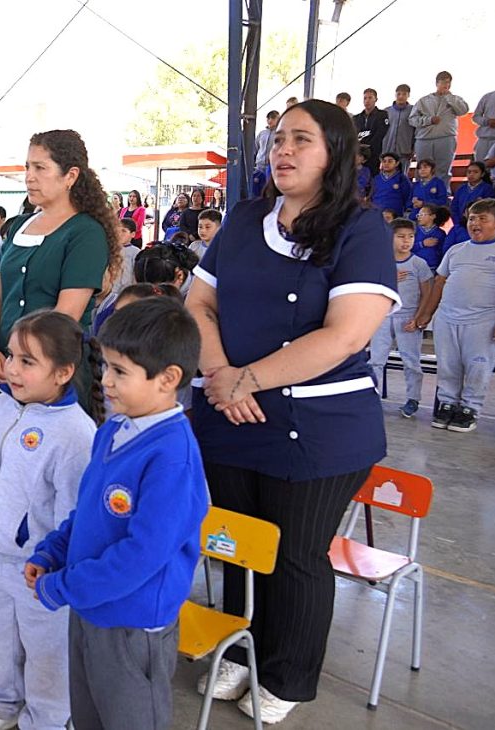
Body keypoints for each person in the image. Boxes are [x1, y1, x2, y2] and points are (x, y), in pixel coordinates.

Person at [185, 99, 399, 723]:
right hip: (229, 415)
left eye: (302, 140)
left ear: (335, 153)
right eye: (279, 138)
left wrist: (245, 379)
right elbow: (198, 305)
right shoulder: (244, 219)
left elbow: (345, 335)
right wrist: (222, 377)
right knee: (234, 543)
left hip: (318, 429)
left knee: (296, 555)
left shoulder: (360, 230)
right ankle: (240, 647)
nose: (284, 150)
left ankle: (287, 673)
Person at [26, 298, 208, 730]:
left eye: (120, 371)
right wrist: (53, 551)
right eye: (105, 366)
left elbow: (141, 556)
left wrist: (64, 585)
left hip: (132, 624)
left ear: (168, 379)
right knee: (87, 715)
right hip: (89, 607)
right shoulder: (113, 429)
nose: (105, 380)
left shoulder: (172, 458)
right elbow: (87, 512)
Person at [0, 310, 98, 730]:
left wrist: (56, 566)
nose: (11, 368)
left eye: (27, 361)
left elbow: (74, 514)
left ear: (63, 372)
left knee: (47, 650)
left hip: (37, 569)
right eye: (11, 355)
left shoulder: (76, 433)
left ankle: (48, 718)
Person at [0, 129, 117, 415]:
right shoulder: (18, 226)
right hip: (5, 369)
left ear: (70, 176)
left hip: (52, 373)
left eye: (40, 168)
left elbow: (65, 315)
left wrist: (23, 363)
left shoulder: (85, 233)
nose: (29, 177)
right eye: (27, 167)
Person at [413, 198, 495, 434]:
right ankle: (447, 403)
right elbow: (439, 282)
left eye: (483, 219)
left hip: (482, 321)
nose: (475, 223)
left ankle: (470, 408)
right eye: (472, 219)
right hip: (448, 318)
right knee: (448, 365)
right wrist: (426, 313)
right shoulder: (456, 250)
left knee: (478, 367)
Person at [370, 219, 433, 419]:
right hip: (383, 316)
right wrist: (389, 278)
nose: (406, 241)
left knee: (411, 361)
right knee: (376, 360)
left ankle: (413, 399)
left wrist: (418, 318)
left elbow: (427, 293)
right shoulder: (381, 262)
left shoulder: (418, 263)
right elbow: (370, 288)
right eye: (401, 237)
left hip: (408, 318)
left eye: (411, 237)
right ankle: (372, 397)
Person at [410, 71, 470, 185]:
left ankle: (442, 193)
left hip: (446, 138)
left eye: (448, 82)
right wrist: (429, 120)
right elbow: (412, 119)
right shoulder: (423, 100)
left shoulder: (456, 99)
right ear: (437, 83)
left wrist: (449, 98)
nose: (446, 85)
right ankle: (421, 193)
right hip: (424, 139)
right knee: (423, 169)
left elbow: (463, 111)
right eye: (443, 82)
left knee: (443, 170)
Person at [354, 88, 390, 176]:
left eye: (370, 98)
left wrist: (367, 147)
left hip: (374, 153)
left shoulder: (382, 115)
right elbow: (353, 134)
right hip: (359, 154)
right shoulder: (356, 118)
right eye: (365, 98)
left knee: (372, 177)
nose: (367, 101)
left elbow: (380, 133)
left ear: (376, 99)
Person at [449, 161, 495, 228]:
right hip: (460, 223)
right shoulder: (461, 189)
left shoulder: (487, 189)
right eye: (469, 172)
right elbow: (454, 207)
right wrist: (458, 222)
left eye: (475, 172)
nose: (471, 174)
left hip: (479, 224)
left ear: (482, 174)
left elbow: (489, 209)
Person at [371, 152, 412, 219]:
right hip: (377, 214)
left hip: (395, 215)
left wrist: (408, 210)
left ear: (397, 163)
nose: (386, 163)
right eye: (384, 161)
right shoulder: (376, 178)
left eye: (390, 161)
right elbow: (372, 196)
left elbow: (408, 196)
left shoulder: (402, 179)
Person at [384, 84, 415, 168]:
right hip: (388, 151)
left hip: (405, 152)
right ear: (395, 94)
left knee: (403, 174)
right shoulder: (386, 112)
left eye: (404, 94)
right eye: (399, 94)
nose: (401, 96)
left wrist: (413, 149)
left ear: (408, 95)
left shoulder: (413, 111)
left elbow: (416, 131)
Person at [413, 204, 450, 270]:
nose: (419, 217)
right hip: (414, 267)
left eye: (421, 215)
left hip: (432, 267)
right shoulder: (414, 230)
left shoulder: (440, 233)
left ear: (433, 216)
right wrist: (422, 244)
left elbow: (442, 252)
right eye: (418, 215)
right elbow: (408, 247)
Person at [473, 88, 495, 162]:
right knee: (481, 165)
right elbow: (476, 117)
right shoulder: (487, 97)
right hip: (484, 139)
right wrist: (487, 121)